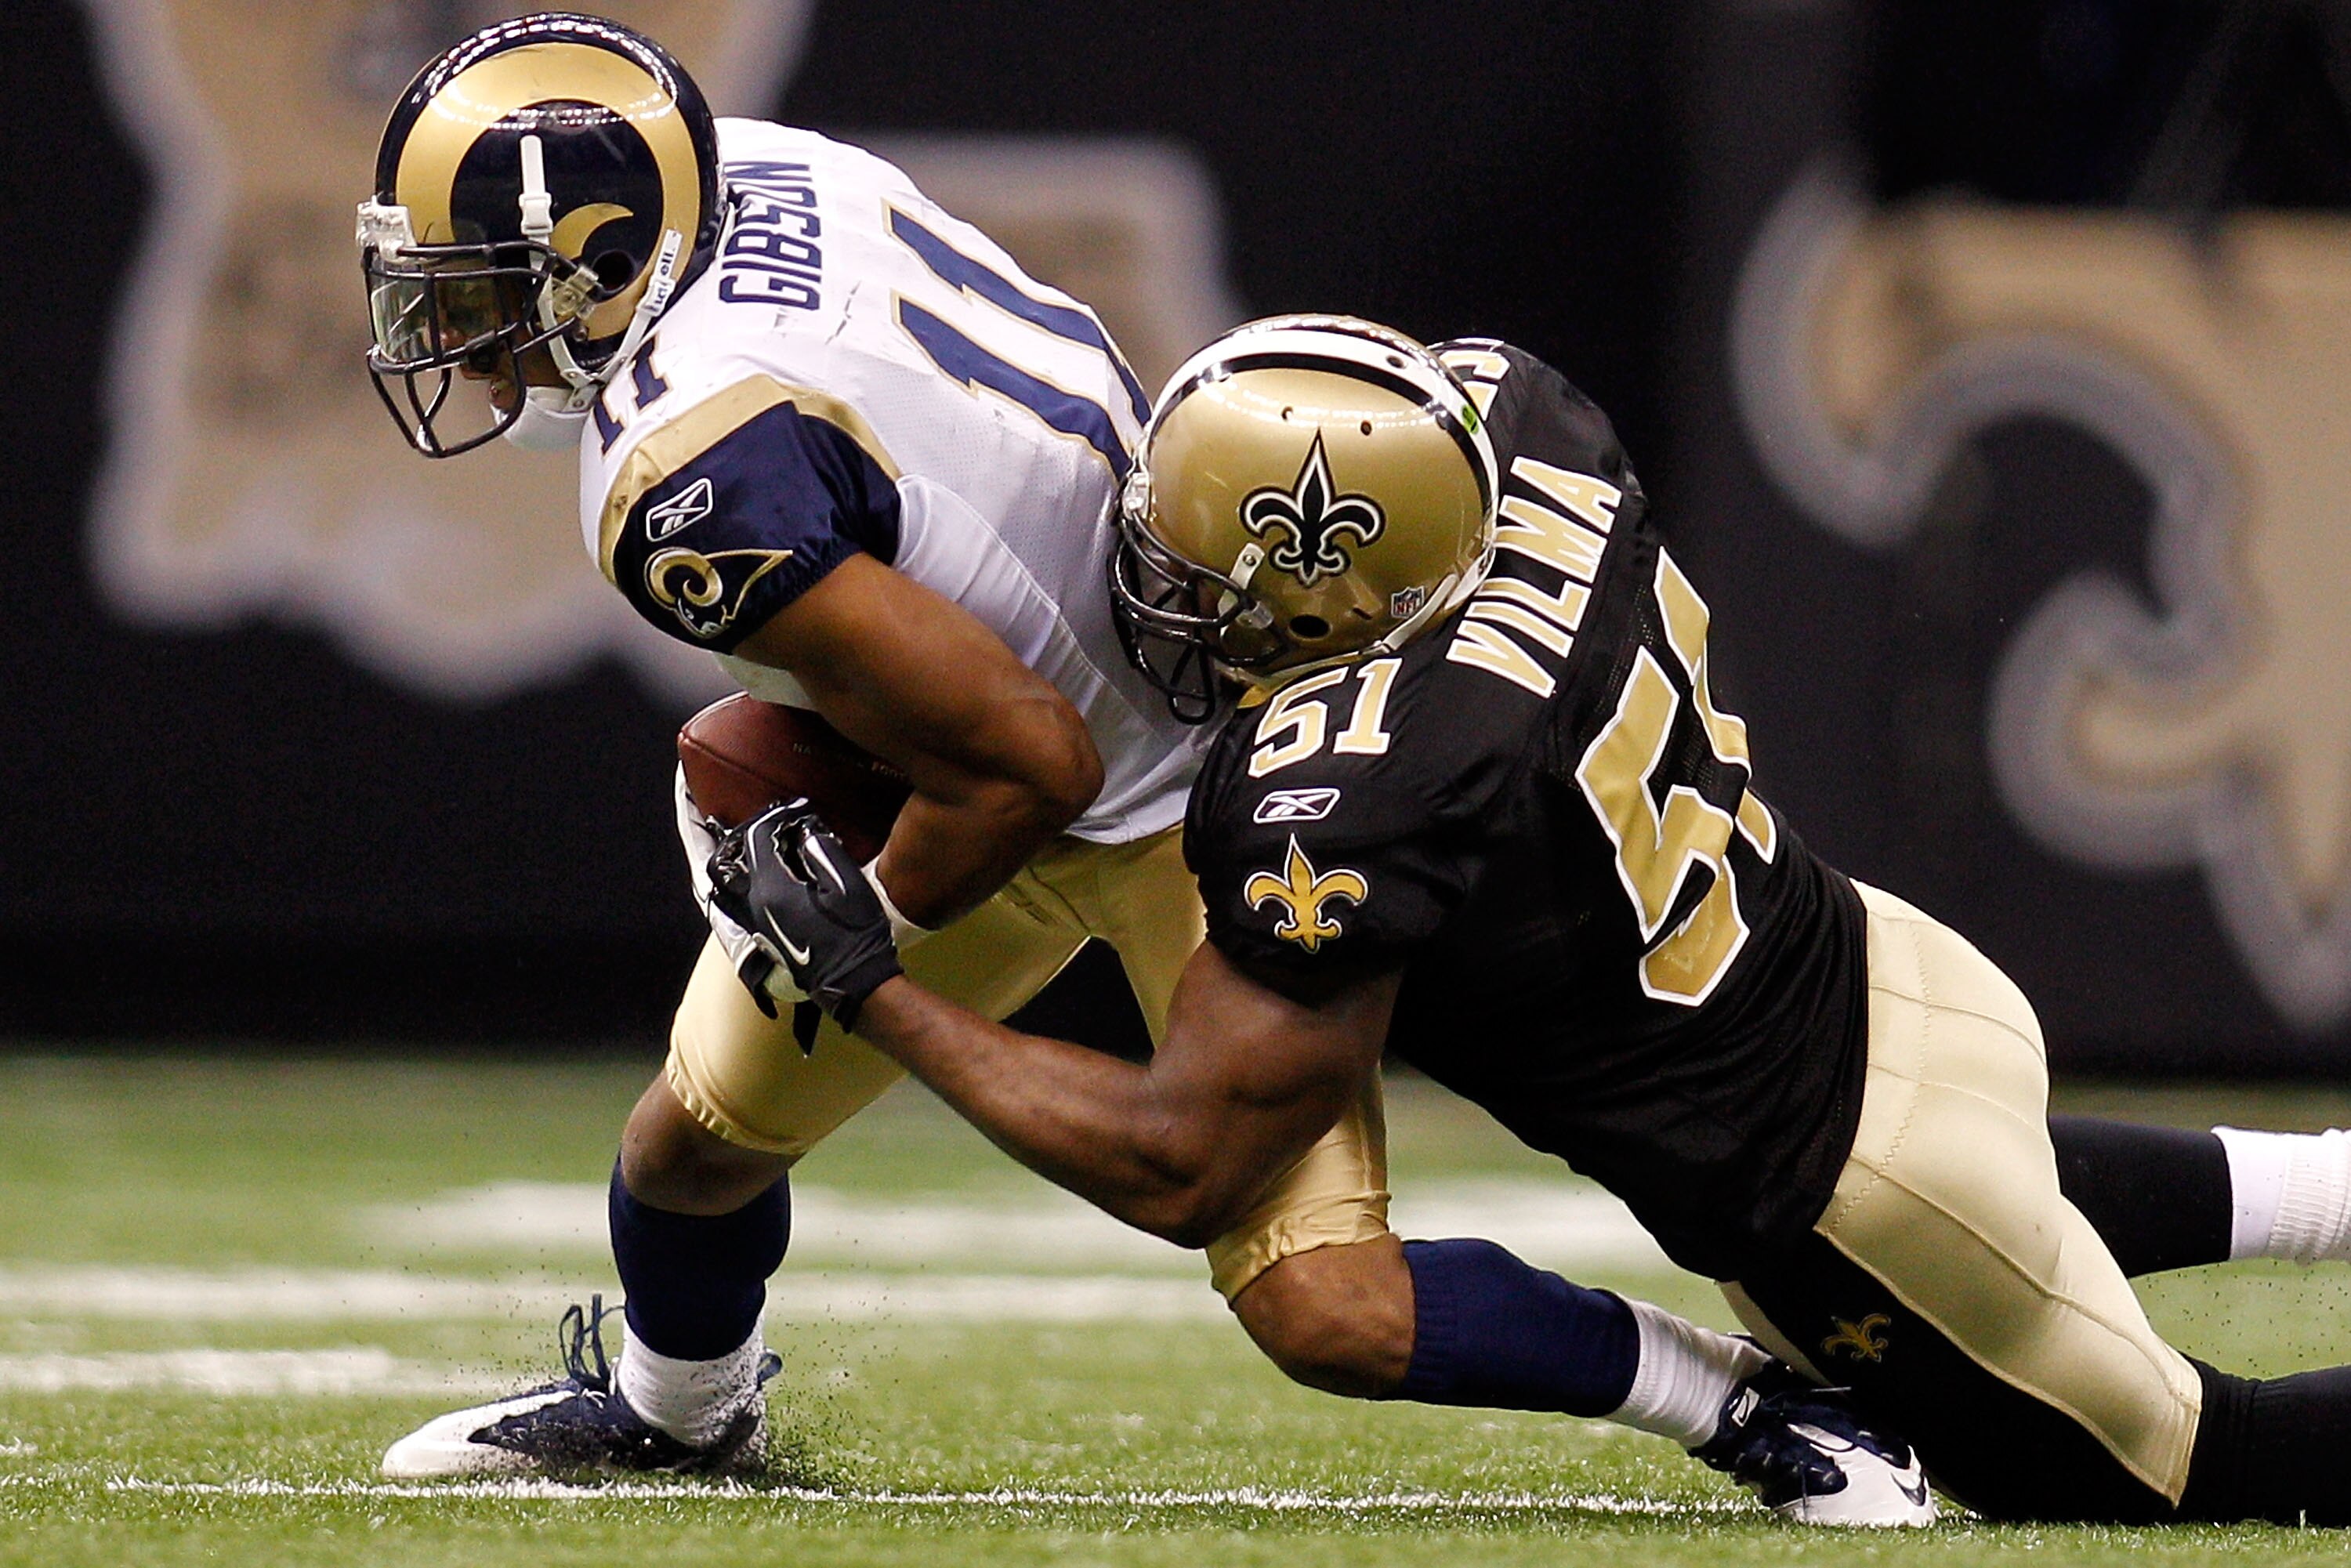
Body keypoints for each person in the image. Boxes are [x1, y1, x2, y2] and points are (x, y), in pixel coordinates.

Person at [350, 16, 1927, 1519]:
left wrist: (858, 930)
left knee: (1329, 1301)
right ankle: (678, 1408)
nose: (452, 332)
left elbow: (1019, 766)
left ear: (608, 259)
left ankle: (1749, 1400)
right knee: (693, 1137)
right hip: (1081, 661)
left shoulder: (678, 470)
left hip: (1176, 775)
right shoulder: (752, 166)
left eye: (479, 289)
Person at [713, 313, 2351, 1524]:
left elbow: (1183, 1159)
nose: (1157, 601)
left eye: (1196, 581)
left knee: (2203, 1462)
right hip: (1886, 977)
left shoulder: (1358, 790)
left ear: (1332, 598)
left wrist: (874, 982)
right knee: (2033, 1194)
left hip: (1852, 1193)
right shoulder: (1523, 422)